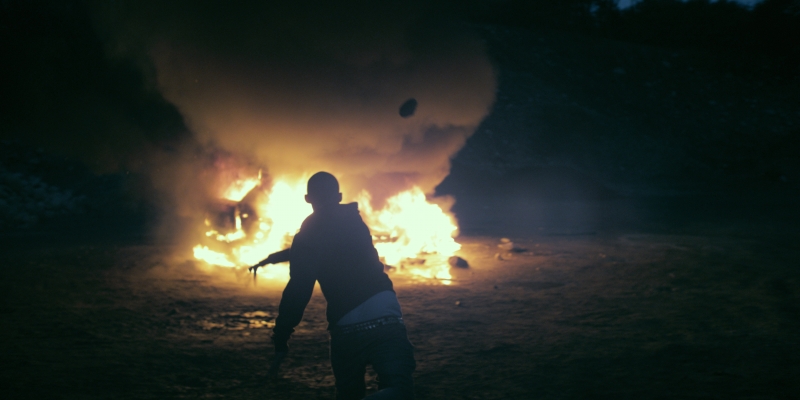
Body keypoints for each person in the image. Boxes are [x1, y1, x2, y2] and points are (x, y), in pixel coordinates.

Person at [250, 171, 416, 400]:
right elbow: (326, 246)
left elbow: (299, 290)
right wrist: (272, 258)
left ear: (307, 199)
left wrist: (281, 336)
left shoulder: (307, 237)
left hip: (347, 321)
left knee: (349, 393)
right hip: (387, 311)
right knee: (399, 388)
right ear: (339, 196)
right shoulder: (356, 223)